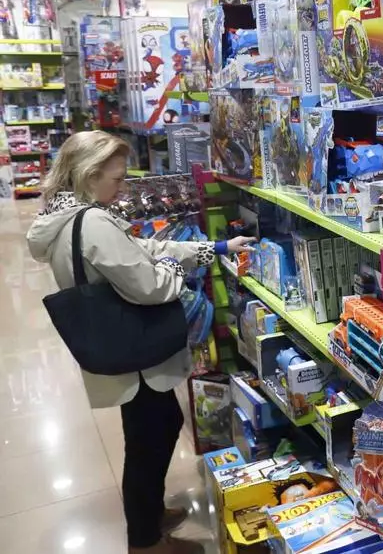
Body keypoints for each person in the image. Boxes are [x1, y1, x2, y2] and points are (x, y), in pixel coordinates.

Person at [25, 131, 255, 554]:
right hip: (135, 356)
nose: (122, 187)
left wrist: (214, 247)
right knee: (149, 439)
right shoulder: (92, 222)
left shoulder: (69, 215)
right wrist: (176, 270)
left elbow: (141, 248)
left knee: (155, 428)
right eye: (116, 179)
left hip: (120, 350)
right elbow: (150, 285)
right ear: (89, 175)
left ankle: (148, 513)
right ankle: (145, 541)